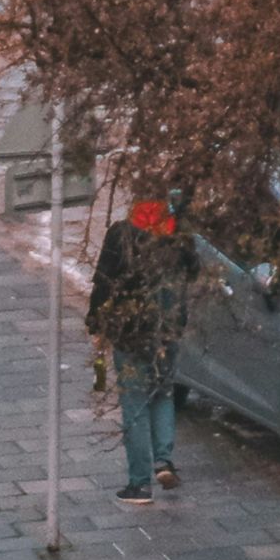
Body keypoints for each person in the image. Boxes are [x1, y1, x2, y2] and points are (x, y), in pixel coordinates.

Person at [87, 193, 199, 503]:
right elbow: (194, 270)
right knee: (162, 393)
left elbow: (103, 282)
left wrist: (95, 323)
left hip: (130, 334)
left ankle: (139, 484)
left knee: (134, 405)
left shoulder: (121, 234)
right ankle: (163, 460)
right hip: (168, 332)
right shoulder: (177, 237)